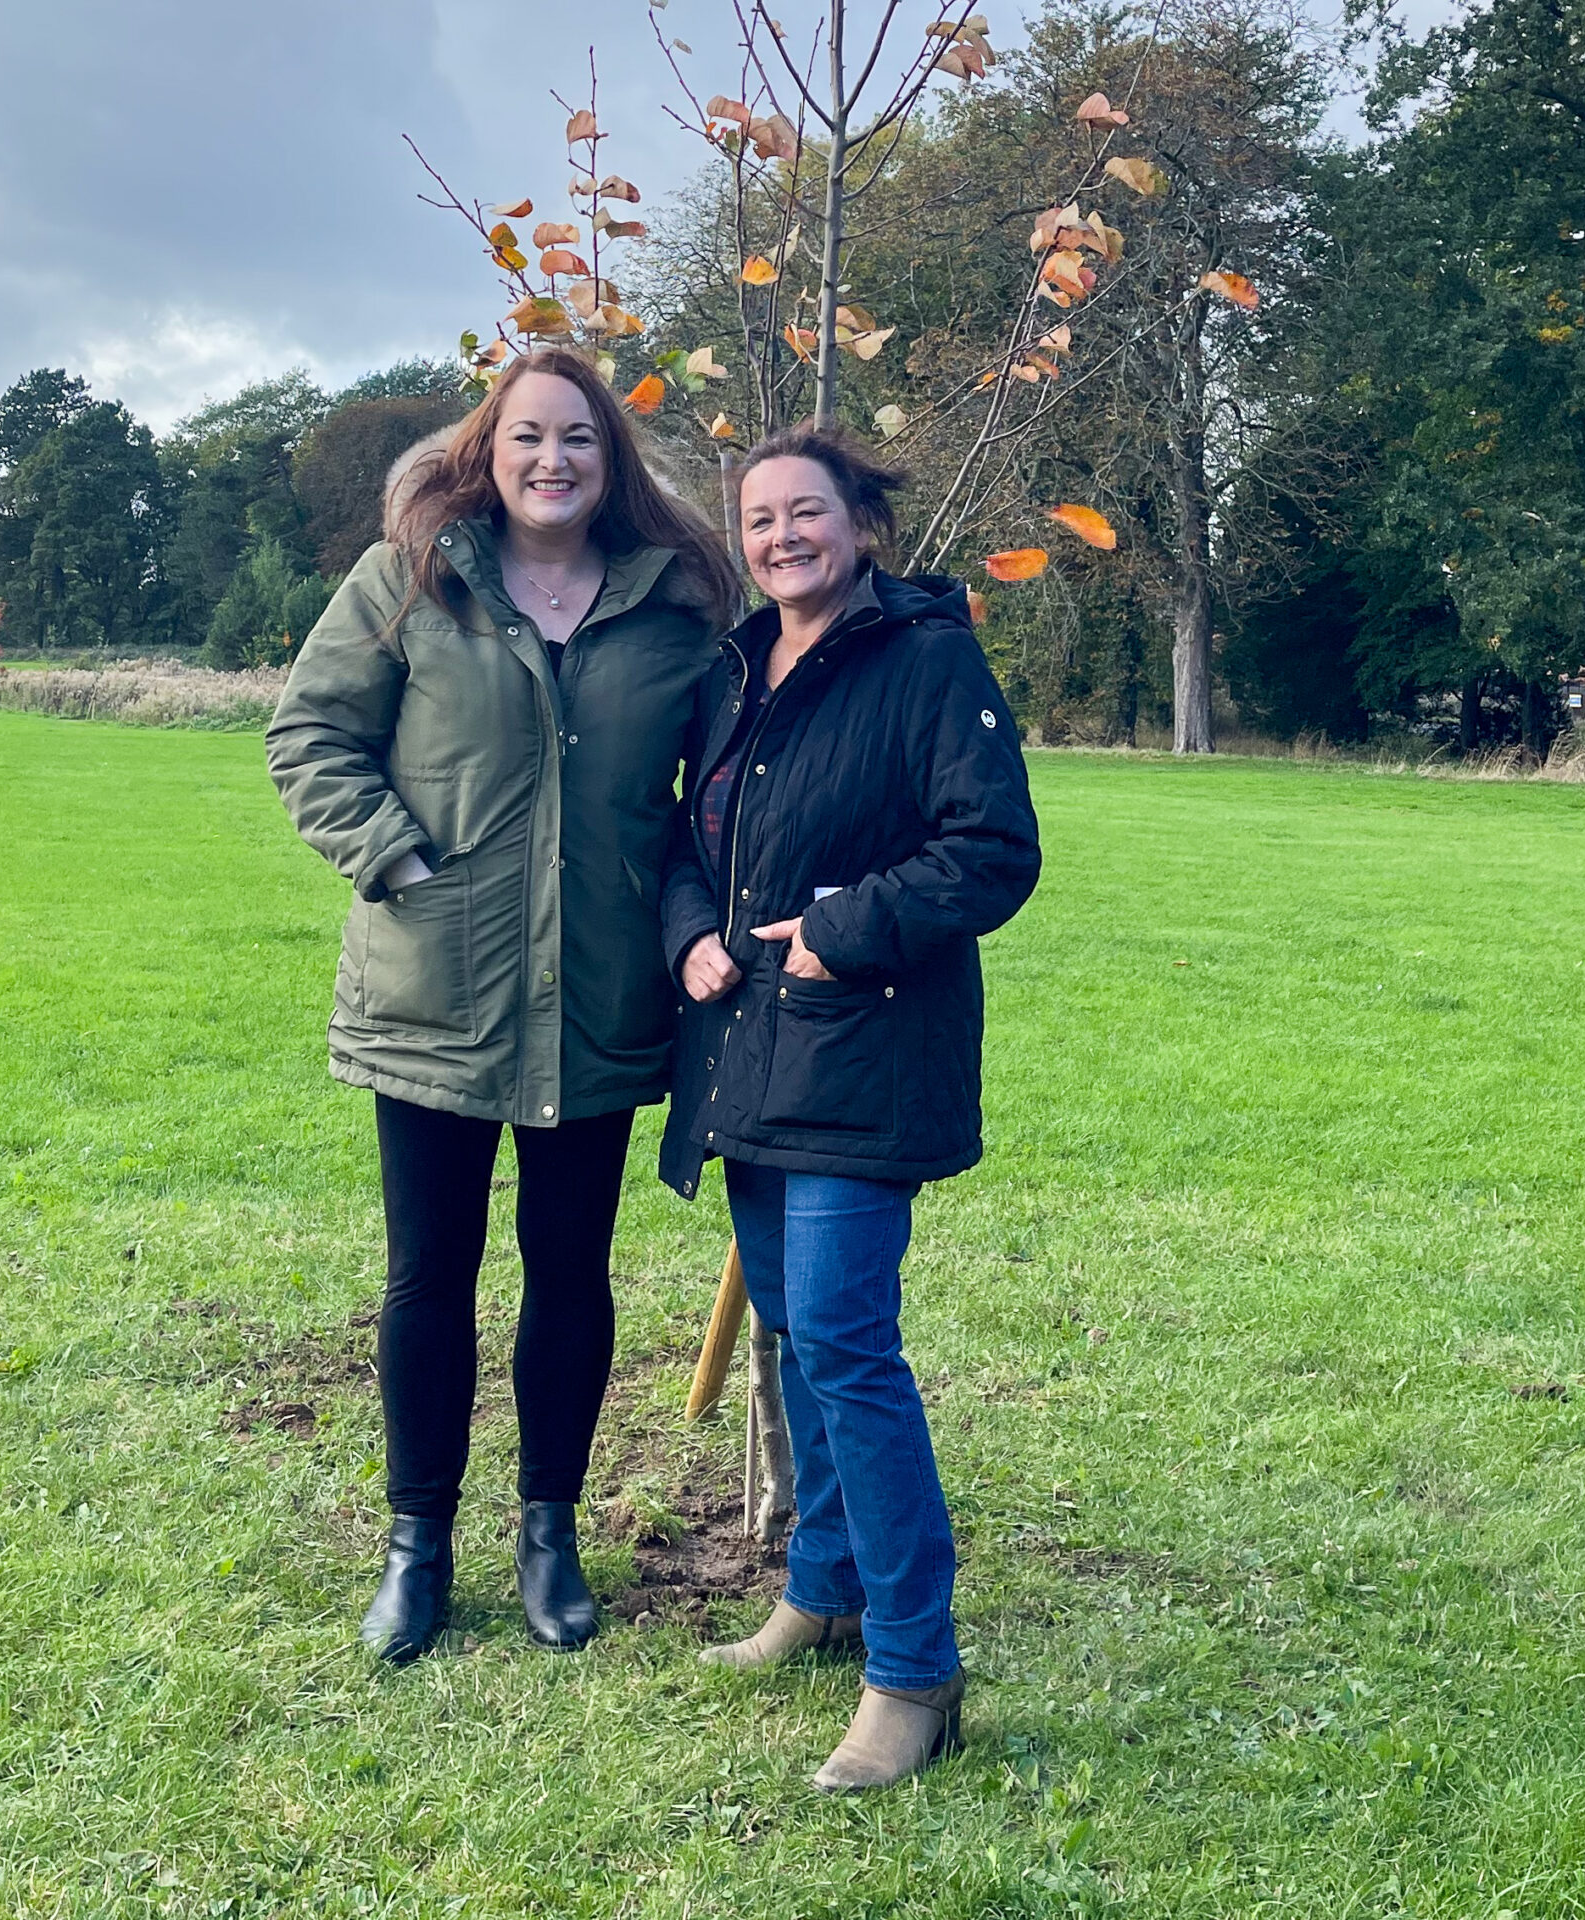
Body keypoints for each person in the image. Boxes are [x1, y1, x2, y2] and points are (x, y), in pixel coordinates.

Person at [267, 349, 735, 1665]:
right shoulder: (413, 577)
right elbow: (309, 736)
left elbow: (724, 790)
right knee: (430, 1274)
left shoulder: (674, 609)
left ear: (610, 461)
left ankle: (549, 1532)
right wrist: (400, 859)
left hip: (597, 995)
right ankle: (417, 1546)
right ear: (490, 447)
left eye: (578, 440)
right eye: (528, 436)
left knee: (569, 1270)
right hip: (437, 989)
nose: (552, 460)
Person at [658, 421, 1041, 1789]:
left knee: (842, 1338)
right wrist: (691, 932)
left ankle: (915, 1672)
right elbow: (686, 840)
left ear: (860, 525)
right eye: (757, 522)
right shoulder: (734, 674)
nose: (779, 539)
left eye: (804, 514)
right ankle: (819, 1592)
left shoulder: (927, 657)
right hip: (749, 1052)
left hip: (865, 1050)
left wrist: (845, 925)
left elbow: (994, 850)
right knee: (790, 1332)